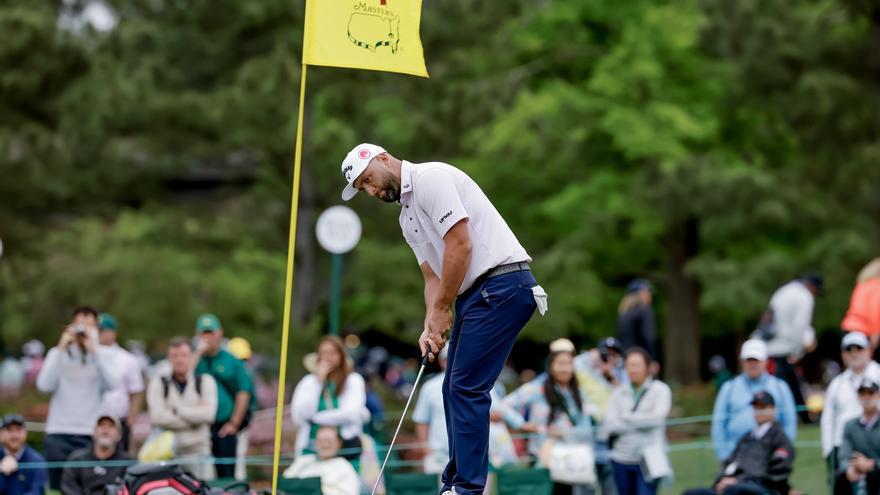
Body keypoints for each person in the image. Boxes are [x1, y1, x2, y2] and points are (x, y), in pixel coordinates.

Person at [339, 143, 545, 495]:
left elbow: (460, 245)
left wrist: (442, 309)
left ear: (383, 159)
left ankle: (466, 487)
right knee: (452, 388)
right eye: (364, 189)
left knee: (466, 387)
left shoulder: (431, 178)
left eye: (369, 179)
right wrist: (429, 323)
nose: (371, 191)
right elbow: (432, 278)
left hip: (503, 283)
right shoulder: (406, 217)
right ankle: (455, 482)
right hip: (476, 295)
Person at [36, 306, 118, 490]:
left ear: (97, 330)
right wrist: (61, 348)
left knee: (88, 487)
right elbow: (44, 385)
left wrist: (94, 351)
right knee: (57, 488)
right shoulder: (57, 354)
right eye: (80, 326)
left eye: (89, 327)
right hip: (59, 431)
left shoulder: (104, 356)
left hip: (89, 433)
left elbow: (113, 385)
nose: (83, 332)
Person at [499, 339, 595, 495]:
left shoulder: (577, 391)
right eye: (560, 363)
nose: (564, 368)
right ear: (551, 364)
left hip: (572, 459)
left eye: (568, 363)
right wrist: (524, 425)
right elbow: (505, 405)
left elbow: (585, 424)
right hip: (544, 458)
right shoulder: (538, 387)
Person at [414, 346, 518, 477]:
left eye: (455, 358)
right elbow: (421, 420)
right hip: (439, 455)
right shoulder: (429, 387)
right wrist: (426, 449)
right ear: (441, 362)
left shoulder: (479, 382)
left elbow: (499, 413)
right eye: (447, 359)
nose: (451, 362)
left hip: (473, 454)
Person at [683, 392, 794, 495]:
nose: (758, 411)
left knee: (734, 490)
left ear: (772, 409)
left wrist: (739, 481)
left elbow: (777, 471)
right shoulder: (747, 437)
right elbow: (730, 462)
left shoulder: (781, 440)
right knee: (692, 493)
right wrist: (721, 481)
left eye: (762, 407)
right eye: (756, 407)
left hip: (761, 487)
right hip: (733, 485)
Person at [711, 339, 797, 461]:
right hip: (735, 456)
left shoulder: (780, 387)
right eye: (749, 360)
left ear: (766, 361)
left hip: (771, 457)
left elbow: (789, 423)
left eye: (756, 360)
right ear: (742, 361)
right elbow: (718, 425)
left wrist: (783, 453)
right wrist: (724, 457)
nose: (752, 364)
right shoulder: (729, 388)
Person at [193, 313, 257, 479]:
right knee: (201, 476)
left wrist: (234, 423)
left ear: (219, 333)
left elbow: (244, 391)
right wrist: (198, 352)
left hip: (224, 426)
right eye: (203, 333)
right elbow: (184, 376)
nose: (207, 337)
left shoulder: (231, 361)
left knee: (226, 474)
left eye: (211, 333)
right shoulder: (195, 359)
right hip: (199, 427)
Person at [603, 348, 671, 495]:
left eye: (637, 365)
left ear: (647, 366)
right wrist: (643, 419)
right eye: (629, 365)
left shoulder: (660, 390)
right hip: (621, 458)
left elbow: (657, 419)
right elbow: (610, 424)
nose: (633, 370)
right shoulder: (618, 392)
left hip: (650, 458)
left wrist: (626, 417)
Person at [147, 337, 218, 480]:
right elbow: (157, 417)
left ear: (191, 356)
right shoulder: (159, 383)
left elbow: (209, 415)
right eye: (174, 355)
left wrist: (178, 411)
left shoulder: (205, 381)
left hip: (199, 453)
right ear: (169, 358)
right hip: (167, 454)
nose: (179, 360)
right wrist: (194, 418)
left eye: (184, 355)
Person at [291, 337, 367, 466]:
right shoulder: (308, 382)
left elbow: (350, 413)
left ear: (341, 356)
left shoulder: (353, 380)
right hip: (311, 448)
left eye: (332, 353)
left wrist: (315, 419)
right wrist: (318, 382)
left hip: (345, 450)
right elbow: (300, 415)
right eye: (324, 353)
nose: (328, 357)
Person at [765, 273, 822, 423]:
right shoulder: (805, 296)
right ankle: (788, 418)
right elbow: (800, 326)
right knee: (783, 387)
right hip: (786, 350)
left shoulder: (783, 291)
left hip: (770, 348)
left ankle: (803, 417)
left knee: (789, 384)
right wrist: (797, 351)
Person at [822, 332, 880, 480]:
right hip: (843, 449)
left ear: (869, 351)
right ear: (843, 354)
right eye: (849, 350)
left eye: (858, 349)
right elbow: (828, 420)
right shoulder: (836, 384)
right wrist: (829, 451)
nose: (854, 354)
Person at [573, 337, 624, 495]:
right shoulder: (583, 367)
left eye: (613, 354)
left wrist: (610, 374)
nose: (608, 357)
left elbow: (625, 398)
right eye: (605, 353)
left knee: (612, 487)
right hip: (585, 439)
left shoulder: (621, 373)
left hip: (611, 439)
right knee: (584, 486)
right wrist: (592, 359)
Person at [97, 313, 145, 452]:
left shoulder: (127, 359)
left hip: (119, 420)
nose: (100, 334)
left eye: (103, 330)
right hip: (94, 420)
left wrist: (131, 419)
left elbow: (136, 391)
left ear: (114, 333)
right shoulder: (89, 357)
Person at [60, 414, 132, 495]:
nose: (105, 429)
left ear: (119, 435)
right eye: (101, 425)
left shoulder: (129, 463)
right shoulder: (76, 459)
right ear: (93, 433)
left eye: (111, 426)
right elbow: (68, 489)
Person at [283, 426, 360, 495]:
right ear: (315, 442)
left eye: (329, 441)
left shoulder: (344, 467)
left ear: (339, 443)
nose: (324, 445)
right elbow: (284, 482)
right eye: (321, 441)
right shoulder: (303, 460)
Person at [834, 379, 880, 495]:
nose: (867, 398)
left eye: (870, 393)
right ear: (858, 397)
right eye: (863, 394)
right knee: (841, 478)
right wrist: (849, 468)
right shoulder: (850, 426)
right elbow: (844, 453)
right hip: (860, 475)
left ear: (878, 395)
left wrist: (872, 464)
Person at [0, 414, 47, 495]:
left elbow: (37, 492)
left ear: (25, 433)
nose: (14, 435)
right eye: (9, 430)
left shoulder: (37, 461)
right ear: (1, 434)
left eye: (18, 430)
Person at [616, 279, 660, 365]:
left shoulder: (624, 311)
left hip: (626, 358)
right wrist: (653, 359)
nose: (650, 294)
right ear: (641, 293)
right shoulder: (644, 310)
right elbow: (648, 337)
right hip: (641, 359)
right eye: (647, 291)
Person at [841, 258, 880, 349]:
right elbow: (874, 309)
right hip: (864, 330)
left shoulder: (862, 285)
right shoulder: (877, 285)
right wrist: (876, 332)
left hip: (848, 327)